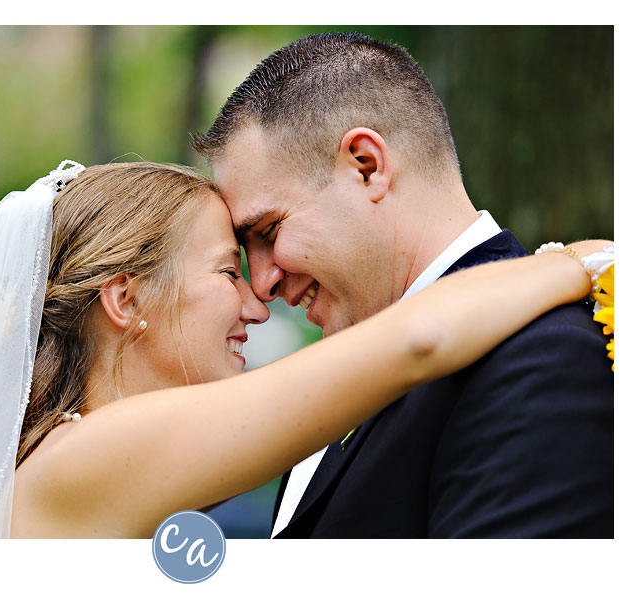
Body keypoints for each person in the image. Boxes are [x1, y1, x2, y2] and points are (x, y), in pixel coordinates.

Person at [0, 159, 608, 539]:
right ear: (125, 300)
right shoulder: (94, 457)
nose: (259, 303)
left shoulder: (70, 463)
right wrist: (577, 264)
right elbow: (417, 339)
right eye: (230, 270)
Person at [192, 32, 614, 538]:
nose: (260, 284)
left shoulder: (545, 359)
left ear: (367, 167)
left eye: (269, 231)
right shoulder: (344, 379)